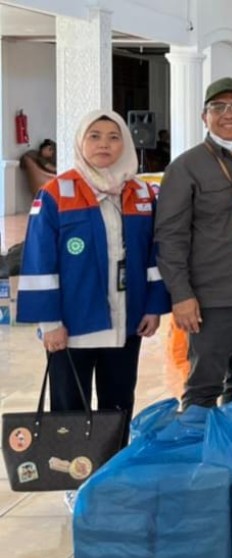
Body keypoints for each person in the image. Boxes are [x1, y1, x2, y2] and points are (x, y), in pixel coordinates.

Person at [16, 109, 170, 444]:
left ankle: (111, 472)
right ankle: (73, 478)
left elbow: (154, 254)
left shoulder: (141, 194)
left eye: (114, 137)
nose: (104, 144)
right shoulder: (56, 194)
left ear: (125, 143)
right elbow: (40, 261)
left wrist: (153, 307)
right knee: (70, 409)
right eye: (95, 136)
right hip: (72, 327)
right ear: (80, 142)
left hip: (126, 322)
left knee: (118, 404)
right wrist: (49, 321)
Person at [155, 77, 232, 409]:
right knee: (203, 388)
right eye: (218, 107)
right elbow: (170, 237)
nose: (229, 114)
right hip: (210, 301)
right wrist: (181, 296)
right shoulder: (185, 167)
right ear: (204, 116)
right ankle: (201, 455)